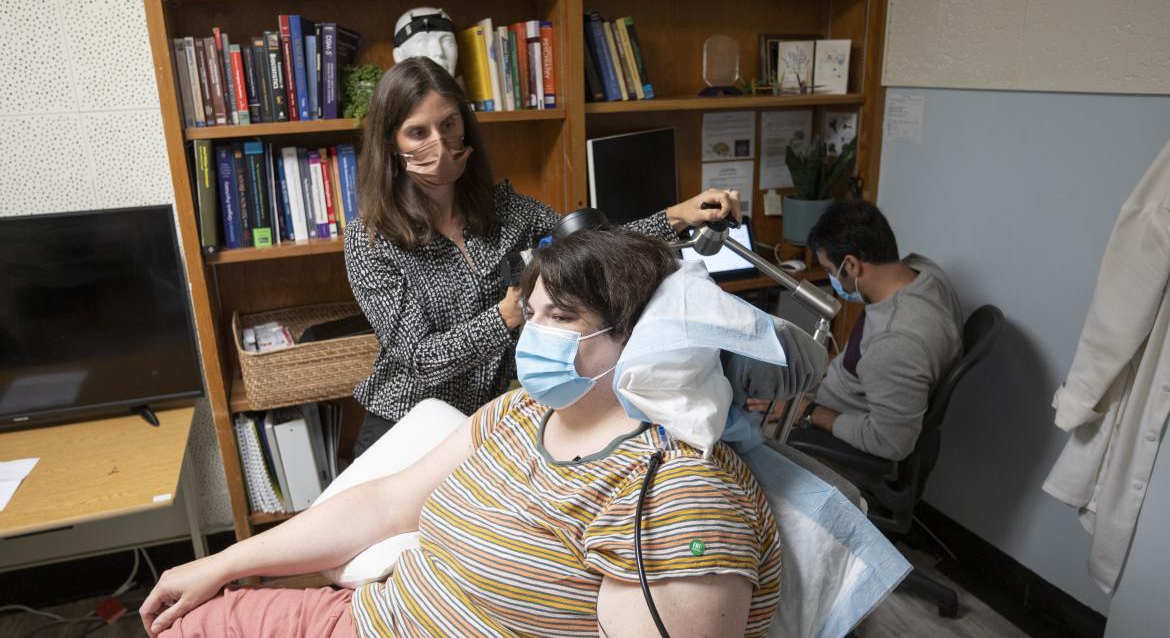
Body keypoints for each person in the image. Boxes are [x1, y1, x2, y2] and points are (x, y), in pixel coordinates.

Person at [139, 228, 782, 638]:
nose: (532, 337)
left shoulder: (676, 500)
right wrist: (217, 564)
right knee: (185, 620)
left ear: (640, 337)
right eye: (530, 315)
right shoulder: (520, 414)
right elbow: (387, 505)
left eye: (560, 317)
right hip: (370, 617)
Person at [345, 57, 740, 455]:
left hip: (486, 424)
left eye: (448, 124)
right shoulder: (371, 238)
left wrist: (677, 216)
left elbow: (589, 244)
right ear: (391, 144)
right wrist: (509, 315)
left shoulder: (504, 208)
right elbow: (420, 359)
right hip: (406, 424)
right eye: (418, 132)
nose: (440, 143)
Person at [753, 200, 962, 461]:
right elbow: (870, 363)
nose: (831, 278)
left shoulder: (896, 341)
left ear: (851, 265)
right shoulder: (924, 271)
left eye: (830, 270)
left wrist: (805, 411)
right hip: (834, 389)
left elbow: (890, 442)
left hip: (830, 428)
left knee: (746, 436)